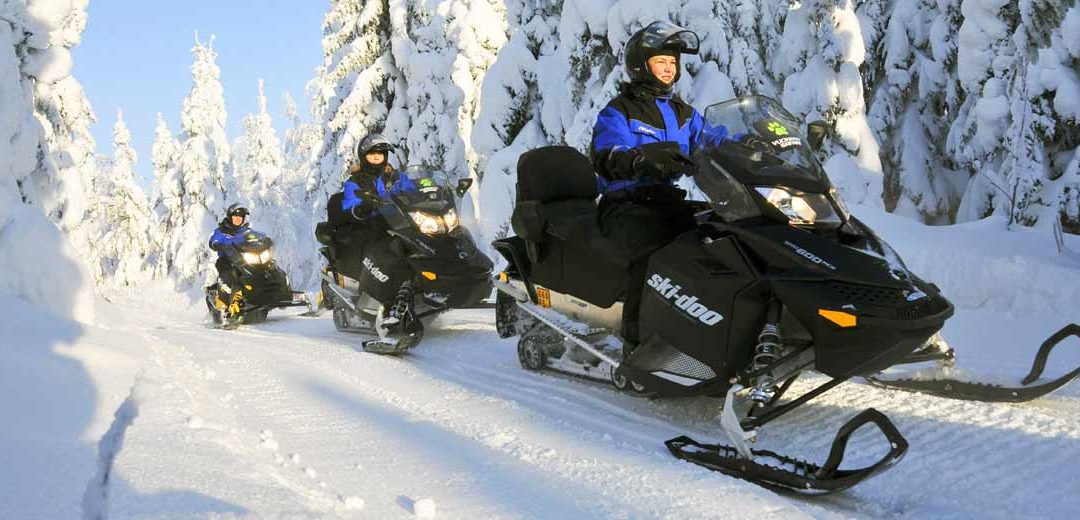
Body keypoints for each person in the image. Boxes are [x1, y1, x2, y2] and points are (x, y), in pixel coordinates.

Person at [590, 21, 734, 346]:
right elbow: (607, 151)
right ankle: (638, 342)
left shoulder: (683, 113)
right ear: (641, 66)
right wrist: (637, 159)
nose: (668, 69)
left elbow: (714, 139)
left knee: (722, 239)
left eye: (673, 63)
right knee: (654, 253)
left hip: (668, 201)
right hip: (625, 205)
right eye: (661, 62)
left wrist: (755, 146)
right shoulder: (619, 111)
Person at [338, 133, 420, 329]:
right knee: (386, 251)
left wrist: (430, 192)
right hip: (371, 227)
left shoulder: (395, 177)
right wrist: (361, 207)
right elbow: (350, 202)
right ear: (363, 156)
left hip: (401, 224)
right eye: (372, 154)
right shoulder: (356, 181)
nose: (377, 157)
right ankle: (384, 302)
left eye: (380, 154)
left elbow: (413, 190)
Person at [209, 203, 255, 319]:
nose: (238, 219)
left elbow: (256, 238)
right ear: (230, 217)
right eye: (235, 217)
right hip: (227, 260)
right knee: (231, 273)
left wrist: (264, 240)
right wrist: (217, 244)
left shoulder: (246, 231)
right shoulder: (222, 231)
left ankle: (281, 290)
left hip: (244, 260)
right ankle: (233, 304)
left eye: (240, 217)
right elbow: (214, 240)